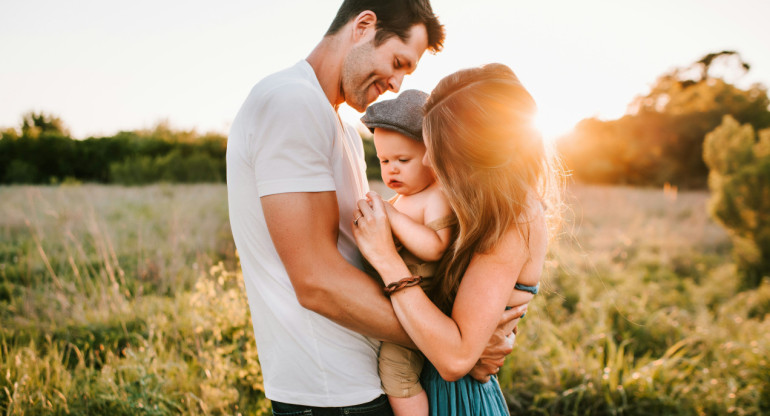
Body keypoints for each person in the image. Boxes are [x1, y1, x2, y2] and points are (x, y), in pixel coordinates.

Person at [226, 1, 527, 414]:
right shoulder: (291, 103)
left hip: (364, 379)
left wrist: (463, 335)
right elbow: (316, 281)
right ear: (364, 25)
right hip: (333, 392)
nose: (398, 84)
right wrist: (456, 343)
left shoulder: (343, 127)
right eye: (398, 61)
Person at [353, 63, 561, 415]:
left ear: (474, 153)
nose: (429, 159)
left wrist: (386, 258)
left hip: (457, 399)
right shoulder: (477, 206)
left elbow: (455, 357)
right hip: (431, 382)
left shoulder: (514, 217)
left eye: (438, 148)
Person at [360, 89, 454, 415]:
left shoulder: (435, 196)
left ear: (432, 156)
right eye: (384, 161)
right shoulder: (401, 199)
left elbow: (437, 246)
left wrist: (392, 217)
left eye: (403, 160)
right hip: (397, 303)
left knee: (396, 371)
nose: (392, 171)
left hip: (422, 307)